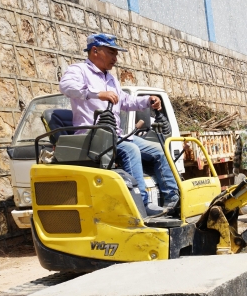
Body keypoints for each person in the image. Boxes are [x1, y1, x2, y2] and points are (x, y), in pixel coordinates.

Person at [59, 33, 178, 217]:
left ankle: (173, 200)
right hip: (93, 137)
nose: (116, 58)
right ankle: (141, 205)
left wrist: (148, 101)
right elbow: (66, 87)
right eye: (112, 52)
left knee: (158, 150)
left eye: (116, 53)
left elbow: (124, 101)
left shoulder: (110, 78)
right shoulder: (79, 70)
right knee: (131, 150)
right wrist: (97, 93)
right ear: (95, 51)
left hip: (115, 135)